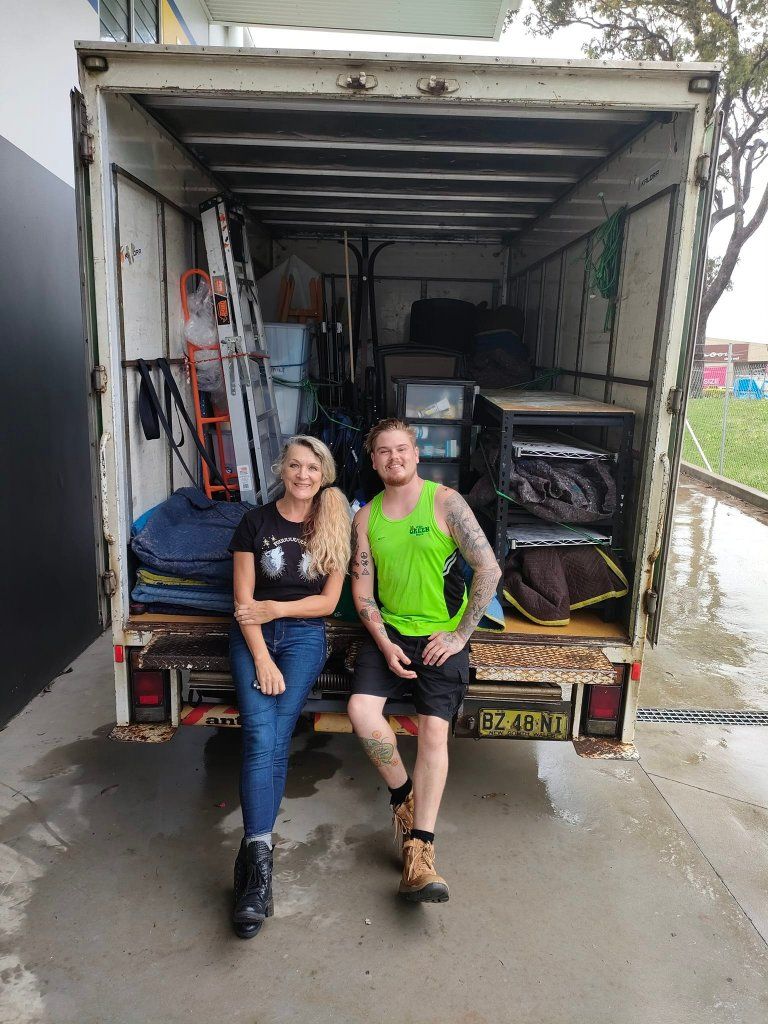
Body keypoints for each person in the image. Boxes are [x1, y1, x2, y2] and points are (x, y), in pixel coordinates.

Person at [347, 418, 501, 903]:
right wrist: (382, 639)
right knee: (360, 713)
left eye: (402, 449)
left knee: (434, 730)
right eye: (384, 452)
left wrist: (459, 634)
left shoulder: (445, 502)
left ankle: (421, 849)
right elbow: (362, 589)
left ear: (416, 454)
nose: (394, 458)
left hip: (440, 637)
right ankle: (404, 797)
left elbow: (488, 568)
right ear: (373, 462)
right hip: (390, 632)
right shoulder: (365, 517)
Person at [227, 435, 350, 939]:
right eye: (295, 466)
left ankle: (254, 863)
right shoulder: (254, 522)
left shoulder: (333, 522)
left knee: (271, 738)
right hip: (251, 635)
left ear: (324, 474)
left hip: (302, 637)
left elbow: (327, 603)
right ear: (282, 468)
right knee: (263, 738)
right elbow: (242, 601)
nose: (303, 475)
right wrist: (259, 655)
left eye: (313, 468)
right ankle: (259, 858)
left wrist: (278, 609)